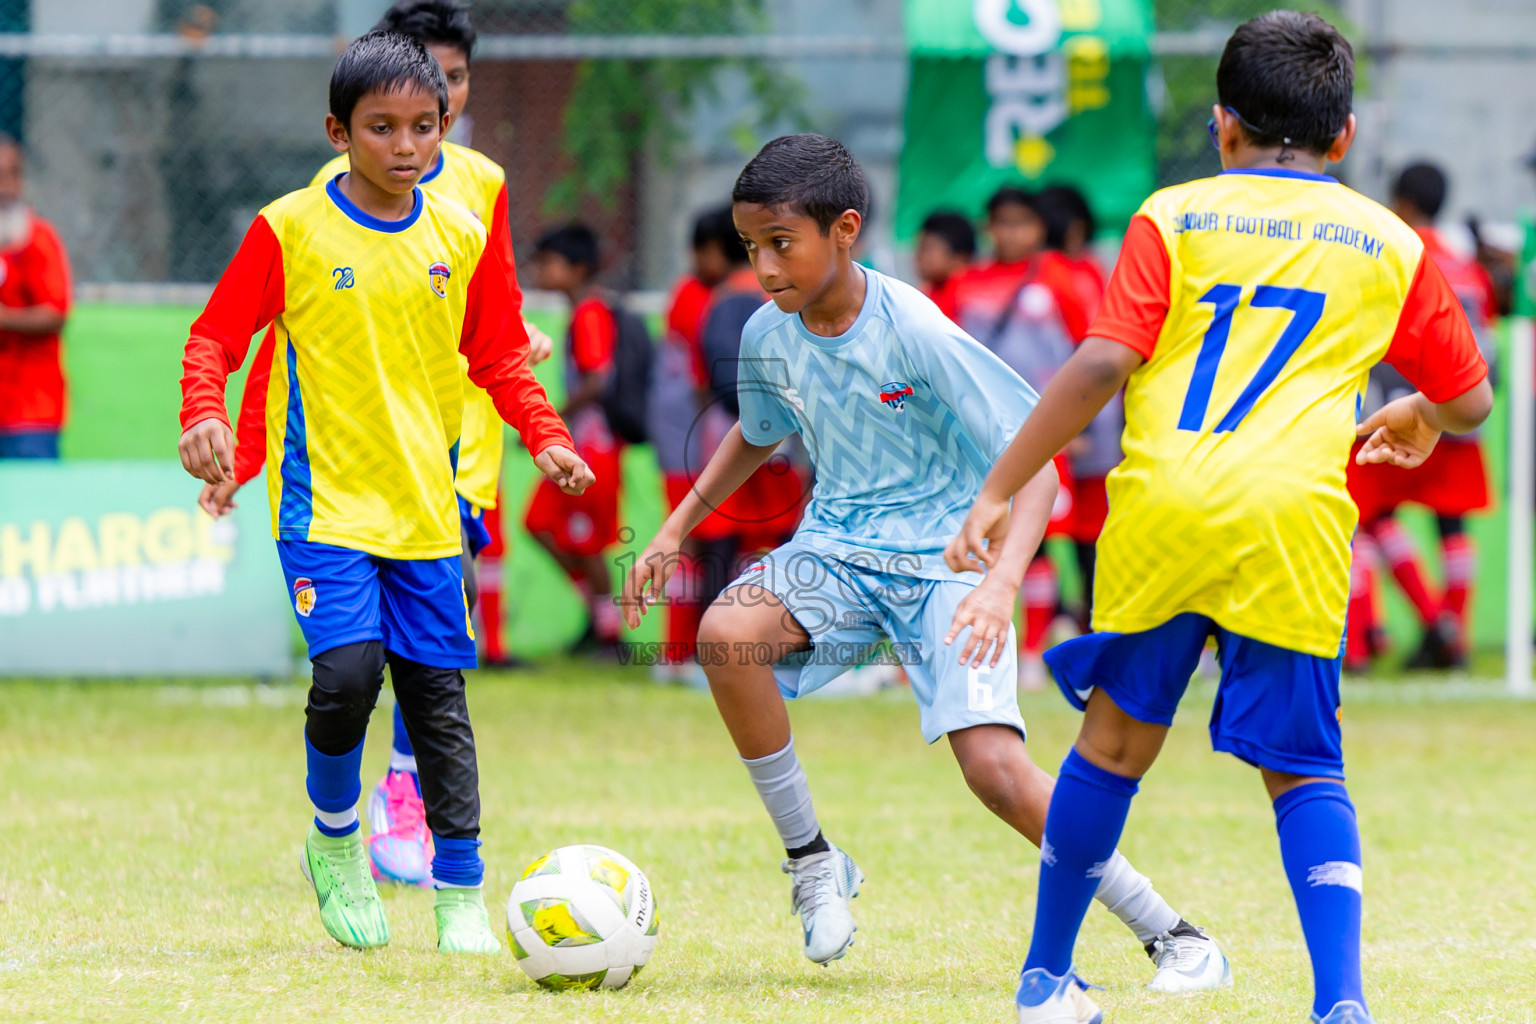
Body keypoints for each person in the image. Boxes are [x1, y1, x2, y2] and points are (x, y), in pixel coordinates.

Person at [945, 13, 1492, 1022]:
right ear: (1346, 137)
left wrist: (998, 483)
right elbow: (1473, 400)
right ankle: (1341, 1003)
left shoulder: (1174, 215)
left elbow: (1104, 362)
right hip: (1295, 518)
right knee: (1305, 766)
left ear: (1221, 126)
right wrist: (1417, 410)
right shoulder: (1390, 241)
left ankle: (1045, 980)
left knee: (1109, 747)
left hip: (1167, 506)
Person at [622, 133, 1228, 990]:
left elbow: (1042, 471)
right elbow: (757, 436)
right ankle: (812, 862)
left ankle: (1175, 934)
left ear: (846, 230)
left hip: (947, 564)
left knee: (996, 774)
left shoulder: (914, 327)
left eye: (780, 244)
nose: (762, 267)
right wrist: (674, 530)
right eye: (751, 246)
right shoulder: (769, 333)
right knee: (727, 635)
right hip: (835, 549)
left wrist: (1001, 584)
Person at [177, 31, 590, 954]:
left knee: (437, 698)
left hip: (427, 509)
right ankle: (335, 845)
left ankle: (460, 898)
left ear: (446, 127)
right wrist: (202, 414)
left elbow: (497, 357)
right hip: (323, 507)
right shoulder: (288, 229)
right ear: (338, 131)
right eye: (382, 128)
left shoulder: (463, 233)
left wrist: (546, 434)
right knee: (349, 675)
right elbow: (214, 340)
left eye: (424, 126)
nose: (407, 147)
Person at [1344, 161, 1499, 671]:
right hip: (1459, 411)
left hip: (1405, 409)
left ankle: (1389, 637)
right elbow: (1488, 343)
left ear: (1402, 203)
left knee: (1371, 519)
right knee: (1452, 527)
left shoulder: (1400, 255)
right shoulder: (1465, 264)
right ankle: (1452, 631)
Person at [938, 186, 1089, 690]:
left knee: (1040, 543)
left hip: (1044, 435)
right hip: (980, 436)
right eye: (1002, 222)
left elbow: (1091, 356)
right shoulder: (966, 284)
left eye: (1022, 223)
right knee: (982, 538)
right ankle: (978, 645)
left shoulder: (1063, 281)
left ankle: (1030, 651)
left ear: (1039, 228)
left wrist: (1080, 427)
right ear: (988, 228)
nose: (1011, 233)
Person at [649, 207, 740, 679]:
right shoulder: (701, 298)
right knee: (690, 547)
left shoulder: (701, 294)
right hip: (692, 441)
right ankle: (681, 651)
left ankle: (687, 652)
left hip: (694, 439)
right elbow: (708, 378)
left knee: (698, 548)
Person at [527, 223, 626, 655]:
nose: (541, 271)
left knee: (589, 543)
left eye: (550, 262)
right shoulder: (580, 311)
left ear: (578, 268)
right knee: (538, 524)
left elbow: (598, 380)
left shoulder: (590, 312)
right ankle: (597, 612)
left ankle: (609, 634)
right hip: (577, 444)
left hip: (593, 447)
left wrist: (553, 419)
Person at [1039, 185, 1120, 631]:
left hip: (1094, 417)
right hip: (1083, 416)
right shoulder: (1058, 273)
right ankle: (1067, 618)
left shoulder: (1084, 269)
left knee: (1084, 527)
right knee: (1062, 528)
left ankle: (1077, 617)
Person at [0, 135, 72, 460]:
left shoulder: (39, 240)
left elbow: (55, 312)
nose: (4, 187)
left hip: (29, 414)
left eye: (11, 175)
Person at [914, 209, 976, 302]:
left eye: (927, 248)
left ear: (959, 257)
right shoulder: (926, 294)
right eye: (919, 248)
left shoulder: (972, 299)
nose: (918, 256)